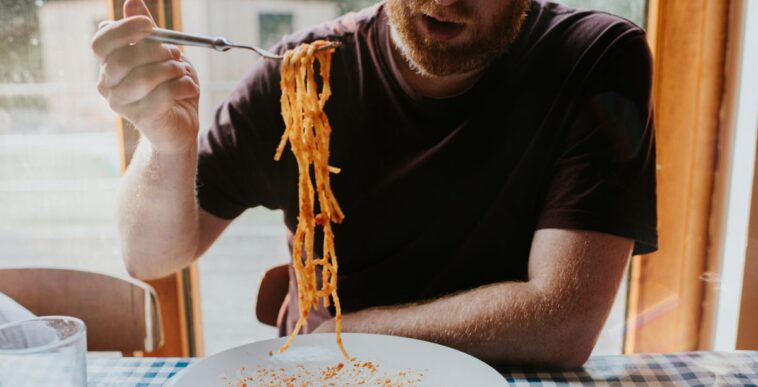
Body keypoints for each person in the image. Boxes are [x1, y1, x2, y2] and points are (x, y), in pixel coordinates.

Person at [91, 0, 657, 367]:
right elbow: (150, 256)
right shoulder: (301, 73)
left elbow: (565, 323)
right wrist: (166, 143)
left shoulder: (594, 57)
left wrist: (344, 330)